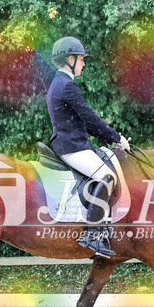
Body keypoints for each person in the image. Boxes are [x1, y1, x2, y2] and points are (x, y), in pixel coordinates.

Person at [45, 36, 130, 258]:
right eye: (81, 59)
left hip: (71, 144)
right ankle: (92, 235)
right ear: (70, 59)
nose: (83, 63)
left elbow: (86, 123)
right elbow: (90, 118)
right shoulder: (67, 86)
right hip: (71, 147)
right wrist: (118, 138)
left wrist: (113, 139)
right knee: (107, 177)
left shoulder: (59, 83)